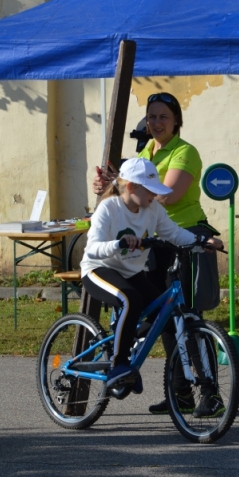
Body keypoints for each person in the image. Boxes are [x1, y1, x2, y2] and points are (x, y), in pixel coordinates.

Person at [93, 92, 221, 415]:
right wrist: (111, 185)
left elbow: (169, 195)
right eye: (151, 117)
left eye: (163, 116)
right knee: (163, 317)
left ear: (177, 120)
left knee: (190, 317)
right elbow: (130, 192)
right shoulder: (147, 150)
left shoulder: (185, 152)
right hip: (154, 242)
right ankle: (180, 395)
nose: (156, 123)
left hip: (186, 236)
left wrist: (128, 189)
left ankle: (211, 393)